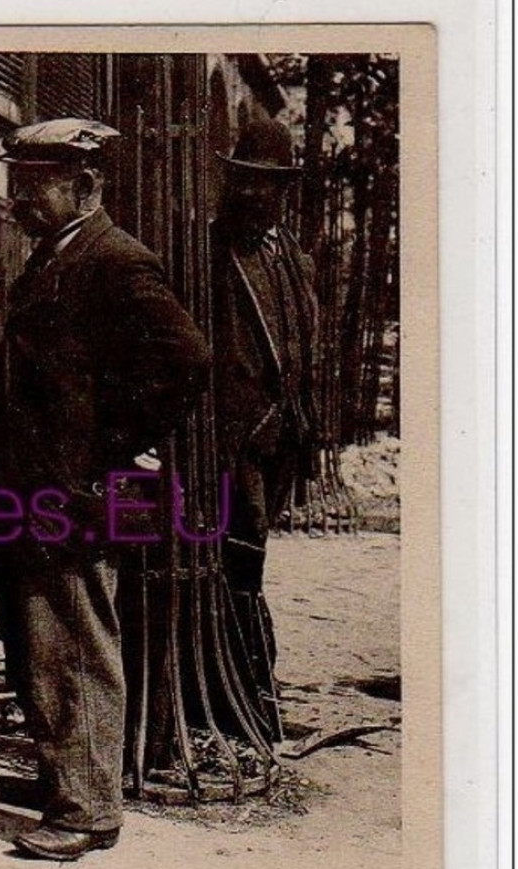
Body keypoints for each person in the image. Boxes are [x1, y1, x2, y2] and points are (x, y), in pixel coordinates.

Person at [0, 119, 211, 861]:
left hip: (67, 493)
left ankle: (87, 808)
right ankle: (64, 777)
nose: (17, 198)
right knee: (35, 642)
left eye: (33, 183)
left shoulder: (116, 261)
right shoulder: (55, 258)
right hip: (28, 489)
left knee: (72, 640)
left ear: (85, 186)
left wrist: (101, 448)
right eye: (16, 181)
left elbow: (185, 360)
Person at [210, 111, 319, 725]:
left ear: (284, 189)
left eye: (268, 182)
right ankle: (247, 692)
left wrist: (303, 418)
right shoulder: (210, 250)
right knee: (238, 554)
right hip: (230, 437)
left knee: (255, 551)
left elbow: (306, 341)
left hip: (284, 432)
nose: (255, 193)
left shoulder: (291, 258)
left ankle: (255, 686)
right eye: (245, 179)